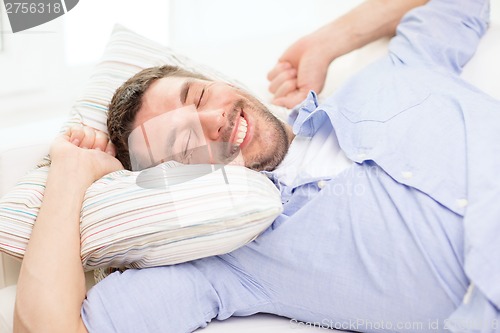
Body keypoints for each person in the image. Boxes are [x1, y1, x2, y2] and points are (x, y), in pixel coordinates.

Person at [13, 0, 500, 332]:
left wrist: (330, 40)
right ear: (173, 181)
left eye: (199, 95)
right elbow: (48, 326)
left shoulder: (391, 76)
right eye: (184, 142)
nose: (214, 121)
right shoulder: (233, 263)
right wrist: (70, 171)